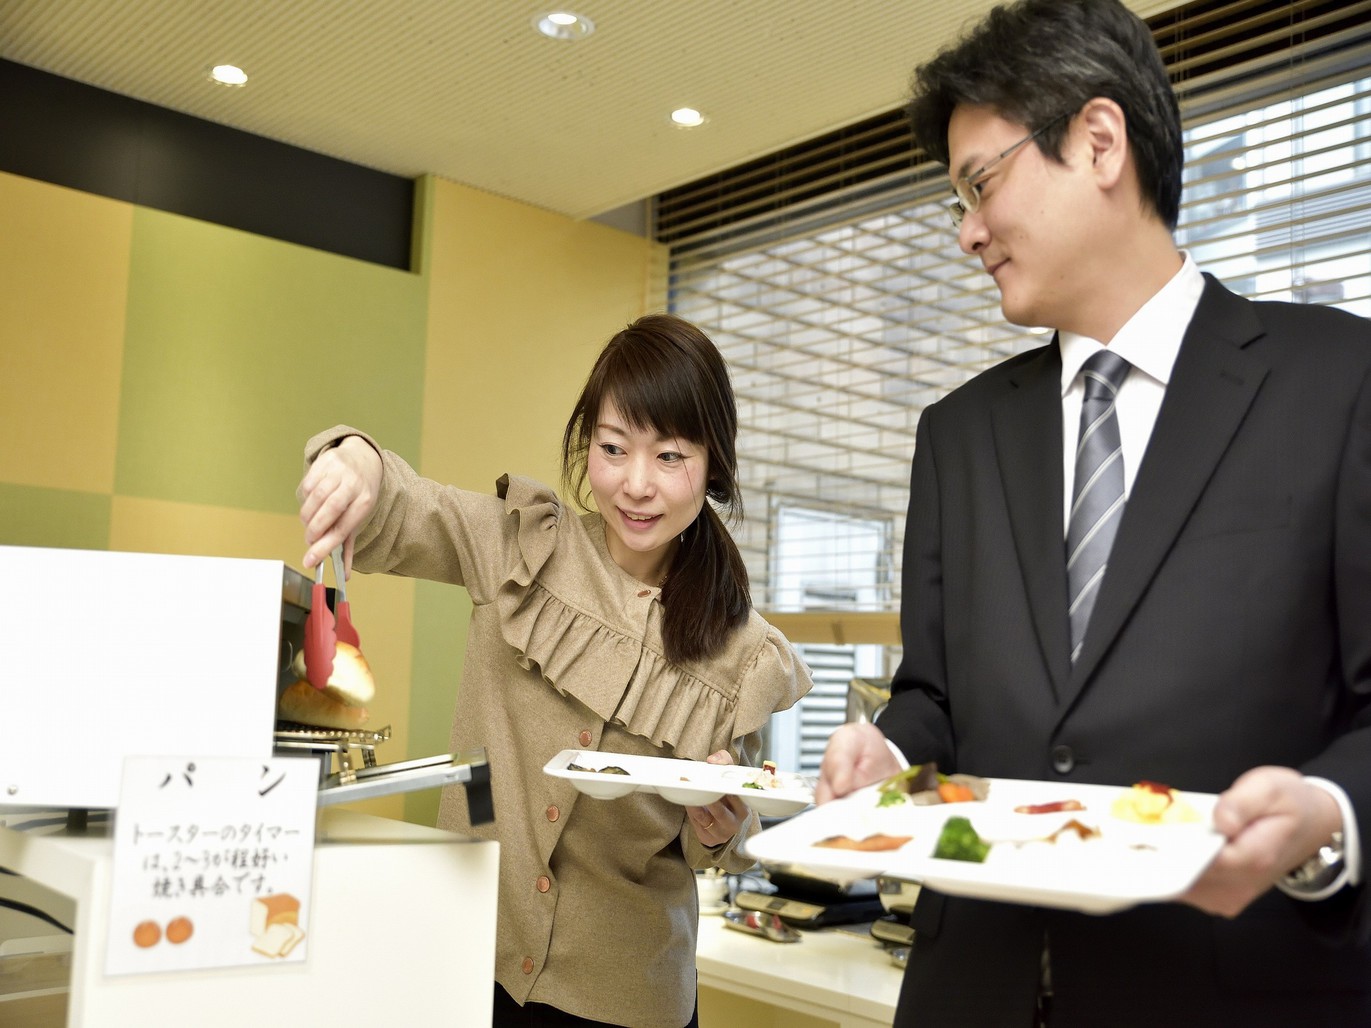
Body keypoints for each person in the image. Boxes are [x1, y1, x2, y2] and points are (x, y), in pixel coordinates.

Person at [815, 0, 1371, 1024]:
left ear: (1099, 141)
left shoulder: (1339, 381)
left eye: (980, 183)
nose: (967, 231)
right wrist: (888, 755)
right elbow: (934, 693)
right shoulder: (957, 434)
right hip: (970, 994)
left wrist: (1329, 814)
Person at [297, 313, 811, 1028]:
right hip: (468, 964)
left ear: (713, 463)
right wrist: (355, 457)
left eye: (670, 456)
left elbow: (719, 843)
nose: (636, 484)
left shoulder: (740, 651)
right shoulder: (520, 545)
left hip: (626, 1001)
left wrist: (721, 825)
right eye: (613, 448)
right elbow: (404, 507)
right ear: (585, 444)